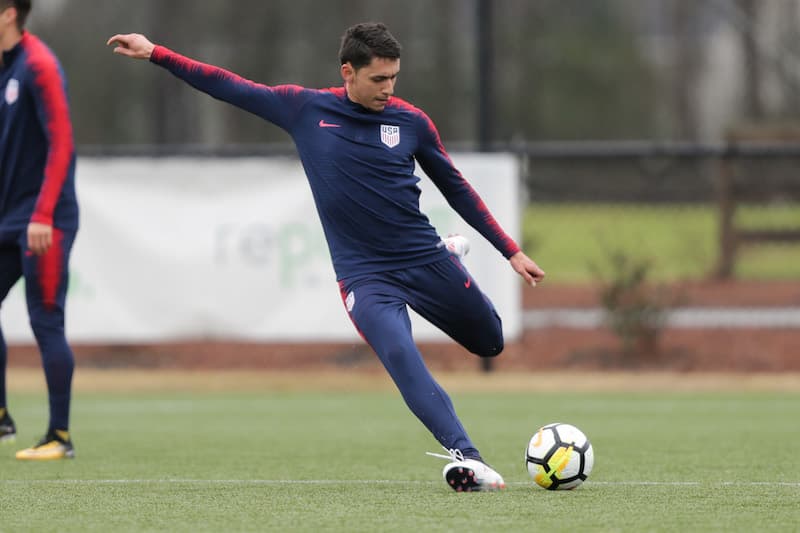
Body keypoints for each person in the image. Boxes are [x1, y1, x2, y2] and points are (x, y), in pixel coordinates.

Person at [107, 22, 545, 491]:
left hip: (423, 257)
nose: (388, 88)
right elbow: (226, 85)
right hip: (365, 276)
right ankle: (469, 459)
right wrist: (156, 53)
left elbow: (456, 188)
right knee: (401, 355)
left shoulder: (411, 123)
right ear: (348, 73)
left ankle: (451, 256)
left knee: (490, 342)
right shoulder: (304, 109)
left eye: (394, 77)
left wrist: (510, 251)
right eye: (378, 79)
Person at [0, 0, 79, 460]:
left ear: (9, 12)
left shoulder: (39, 65)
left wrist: (43, 214)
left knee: (45, 318)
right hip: (9, 218)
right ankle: (3, 418)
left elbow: (62, 141)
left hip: (45, 220)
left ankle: (59, 436)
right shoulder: (5, 67)